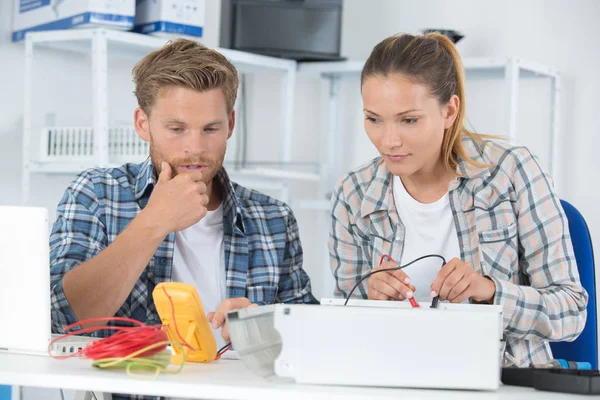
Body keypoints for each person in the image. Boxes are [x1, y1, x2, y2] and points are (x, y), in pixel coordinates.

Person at [328, 32, 587, 367]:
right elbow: (343, 326)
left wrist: (489, 291)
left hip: (502, 381)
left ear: (449, 111)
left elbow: (571, 311)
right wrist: (369, 299)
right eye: (373, 119)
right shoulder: (353, 194)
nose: (388, 141)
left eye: (409, 120)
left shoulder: (512, 172)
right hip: (393, 378)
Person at [50, 39, 317, 356]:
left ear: (230, 124)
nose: (195, 147)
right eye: (177, 128)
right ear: (142, 124)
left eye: (210, 129)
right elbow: (60, 320)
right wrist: (153, 223)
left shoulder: (273, 218)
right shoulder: (97, 194)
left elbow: (311, 343)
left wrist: (263, 330)